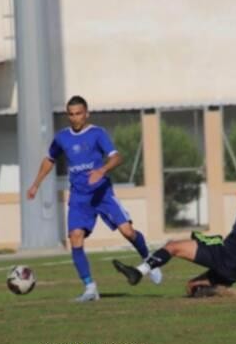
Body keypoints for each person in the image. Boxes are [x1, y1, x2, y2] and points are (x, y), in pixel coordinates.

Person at [27, 95, 162, 302]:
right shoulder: (62, 138)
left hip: (102, 194)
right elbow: (49, 159)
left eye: (79, 113)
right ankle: (90, 287)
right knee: (75, 238)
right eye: (71, 114)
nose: (75, 118)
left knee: (128, 231)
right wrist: (36, 184)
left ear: (86, 113)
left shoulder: (97, 134)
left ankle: (149, 261)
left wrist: (103, 169)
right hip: (79, 198)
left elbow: (117, 157)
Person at [113, 178, 236, 296]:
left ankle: (138, 272)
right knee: (192, 287)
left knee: (172, 246)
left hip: (224, 255)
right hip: (235, 271)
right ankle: (223, 294)